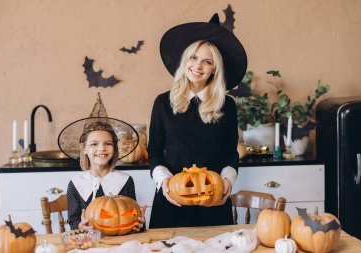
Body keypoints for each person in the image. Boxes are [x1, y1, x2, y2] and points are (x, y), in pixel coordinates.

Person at [148, 14, 247, 228]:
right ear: (185, 61)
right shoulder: (163, 102)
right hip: (171, 199)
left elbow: (230, 153)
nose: (198, 66)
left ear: (215, 69)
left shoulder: (227, 105)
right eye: (193, 57)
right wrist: (164, 182)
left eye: (207, 61)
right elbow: (154, 151)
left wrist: (228, 181)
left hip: (213, 199)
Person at [59, 94, 146, 232]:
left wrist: (139, 226)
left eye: (108, 144)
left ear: (114, 148)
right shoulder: (75, 184)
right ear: (84, 149)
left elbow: (131, 216)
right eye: (94, 144)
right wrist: (79, 226)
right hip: (90, 245)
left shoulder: (126, 181)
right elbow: (74, 221)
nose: (101, 149)